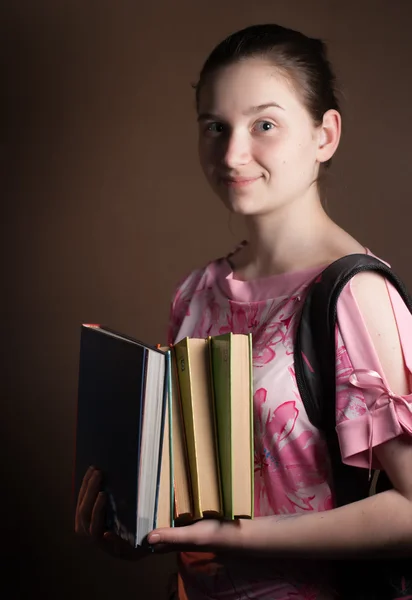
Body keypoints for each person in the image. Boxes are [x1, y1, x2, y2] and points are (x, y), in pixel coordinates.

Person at [75, 23, 412, 599]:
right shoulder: (198, 291)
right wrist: (138, 526)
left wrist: (235, 538)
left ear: (324, 134)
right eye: (215, 126)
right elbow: (193, 488)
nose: (232, 153)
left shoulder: (354, 294)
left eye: (265, 124)